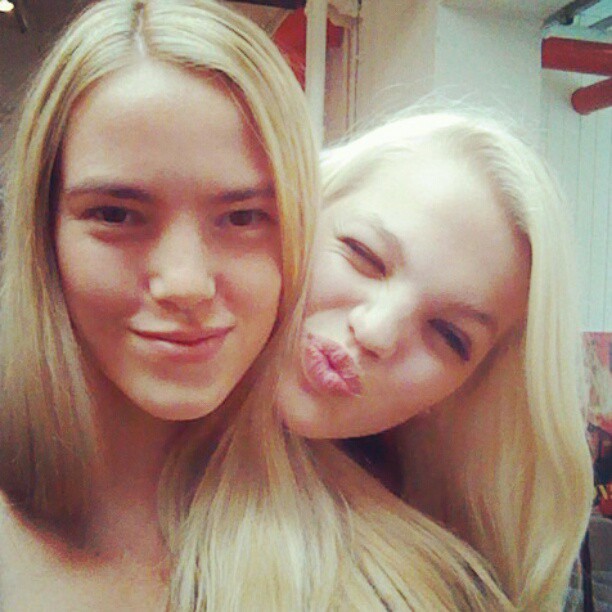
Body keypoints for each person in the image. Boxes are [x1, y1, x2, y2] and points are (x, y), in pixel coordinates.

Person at [0, 0, 319, 608]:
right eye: (116, 215)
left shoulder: (390, 568)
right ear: (44, 232)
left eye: (244, 217)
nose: (186, 283)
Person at [278, 111, 595, 610]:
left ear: (456, 391)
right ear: (299, 216)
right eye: (364, 255)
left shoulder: (434, 592)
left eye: (448, 335)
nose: (376, 331)